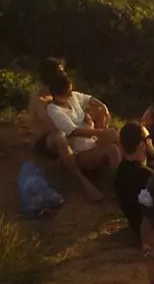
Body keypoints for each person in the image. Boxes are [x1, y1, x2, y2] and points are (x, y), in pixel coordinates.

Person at [29, 58, 111, 200]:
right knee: (59, 135)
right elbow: (55, 126)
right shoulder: (40, 99)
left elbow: (78, 105)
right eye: (61, 71)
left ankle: (94, 149)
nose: (64, 73)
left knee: (96, 110)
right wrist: (85, 128)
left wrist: (93, 114)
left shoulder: (59, 91)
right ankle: (80, 180)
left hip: (69, 130)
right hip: (46, 139)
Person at [45, 71, 121, 196]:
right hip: (79, 151)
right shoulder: (54, 110)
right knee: (113, 149)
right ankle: (120, 187)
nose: (71, 94)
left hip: (92, 140)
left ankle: (131, 175)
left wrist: (104, 107)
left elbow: (90, 99)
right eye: (67, 92)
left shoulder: (73, 97)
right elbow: (73, 131)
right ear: (58, 95)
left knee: (119, 140)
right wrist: (102, 132)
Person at [114, 122, 154, 234]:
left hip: (135, 226)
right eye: (148, 138)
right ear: (142, 145)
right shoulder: (147, 176)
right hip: (153, 231)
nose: (151, 141)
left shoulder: (120, 170)